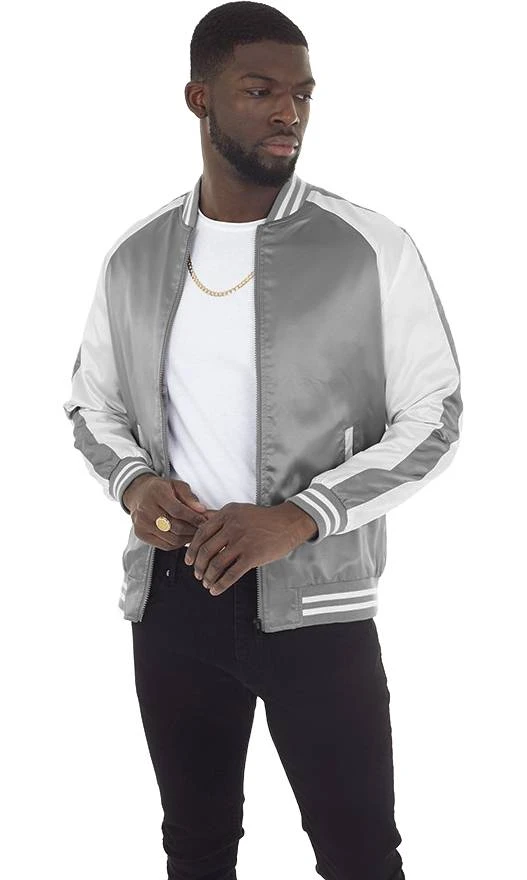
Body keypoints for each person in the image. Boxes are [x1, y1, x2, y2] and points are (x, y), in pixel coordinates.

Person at [62, 3, 463, 877]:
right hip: (172, 600)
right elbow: (90, 406)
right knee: (195, 847)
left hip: (316, 604)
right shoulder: (135, 256)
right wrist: (135, 485)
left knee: (360, 855)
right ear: (199, 98)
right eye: (260, 91)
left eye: (303, 94)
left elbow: (435, 417)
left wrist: (299, 517)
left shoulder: (370, 247)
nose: (289, 112)